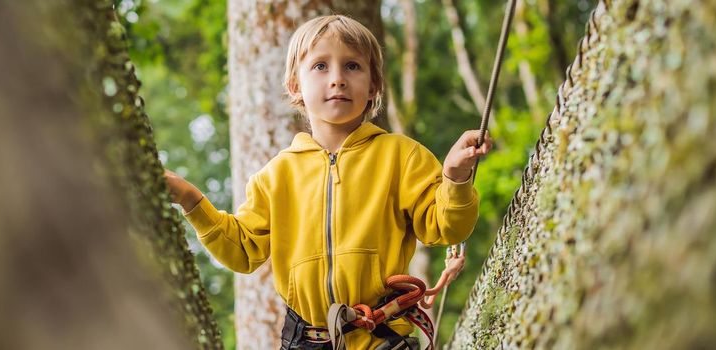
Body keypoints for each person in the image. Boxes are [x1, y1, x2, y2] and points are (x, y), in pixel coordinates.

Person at [165, 14, 491, 349]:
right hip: (306, 341)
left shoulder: (401, 156)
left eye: (352, 66)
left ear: (374, 85)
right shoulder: (276, 176)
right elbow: (242, 252)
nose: (337, 79)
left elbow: (447, 228)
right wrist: (192, 200)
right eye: (320, 66)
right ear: (295, 86)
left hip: (383, 337)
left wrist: (455, 178)